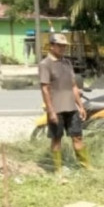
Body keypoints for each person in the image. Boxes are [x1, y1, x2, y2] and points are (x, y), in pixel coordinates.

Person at [39, 32, 90, 174]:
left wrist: (80, 106)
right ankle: (58, 170)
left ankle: (86, 166)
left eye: (64, 46)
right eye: (60, 45)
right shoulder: (45, 64)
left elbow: (73, 86)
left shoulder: (67, 63)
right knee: (56, 139)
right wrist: (50, 111)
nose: (63, 48)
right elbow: (45, 89)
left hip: (71, 108)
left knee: (78, 137)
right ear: (52, 46)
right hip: (56, 109)